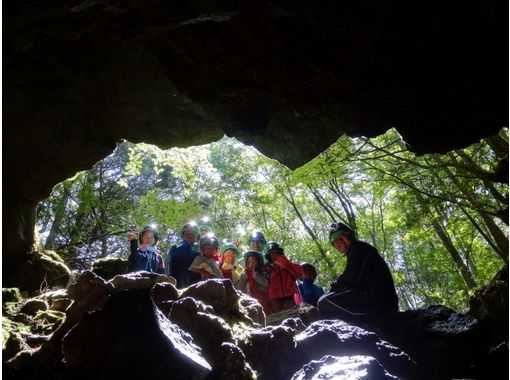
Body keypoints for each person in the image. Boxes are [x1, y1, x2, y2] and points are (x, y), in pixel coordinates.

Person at [317, 222, 398, 321]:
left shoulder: (359, 249)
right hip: (380, 303)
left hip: (380, 307)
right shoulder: (357, 250)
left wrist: (332, 290)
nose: (340, 243)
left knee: (324, 302)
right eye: (336, 242)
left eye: (342, 238)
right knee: (327, 300)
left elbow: (350, 278)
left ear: (350, 236)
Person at [264, 241, 304, 313]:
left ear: (280, 253)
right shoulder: (266, 268)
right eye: (272, 253)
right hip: (274, 297)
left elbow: (298, 273)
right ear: (268, 255)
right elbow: (264, 283)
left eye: (276, 252)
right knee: (277, 318)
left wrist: (283, 261)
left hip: (289, 294)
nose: (274, 255)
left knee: (293, 315)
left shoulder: (287, 263)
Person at [167, 222, 201, 288]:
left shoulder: (199, 251)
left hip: (194, 285)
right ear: (183, 235)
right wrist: (168, 279)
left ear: (196, 237)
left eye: (193, 234)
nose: (190, 235)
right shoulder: (174, 248)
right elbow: (168, 264)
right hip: (175, 282)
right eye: (187, 233)